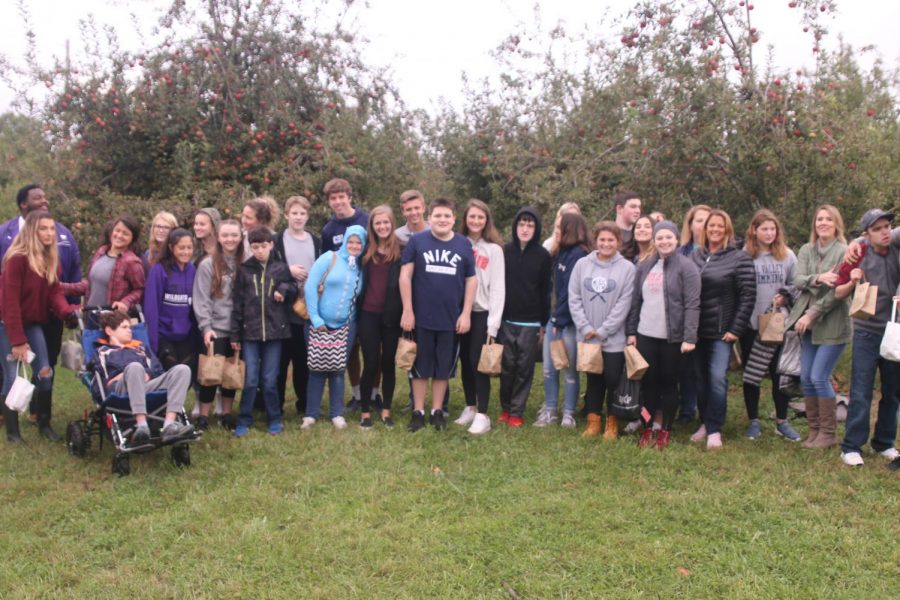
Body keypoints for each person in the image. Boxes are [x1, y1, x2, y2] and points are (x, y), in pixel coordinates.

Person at [0, 184, 82, 428]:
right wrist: (17, 341)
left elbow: (54, 293)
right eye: (44, 229)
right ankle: (13, 431)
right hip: (9, 325)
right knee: (13, 375)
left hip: (34, 323)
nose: (50, 233)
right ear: (33, 231)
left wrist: (69, 311)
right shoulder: (16, 259)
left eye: (51, 229)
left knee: (45, 372)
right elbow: (10, 302)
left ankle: (44, 423)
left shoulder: (50, 260)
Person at [400, 198, 476, 432]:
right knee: (420, 367)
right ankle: (418, 411)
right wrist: (408, 309)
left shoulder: (464, 244)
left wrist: (466, 314)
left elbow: (471, 280)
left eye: (447, 216)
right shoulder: (418, 241)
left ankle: (437, 411)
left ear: (454, 219)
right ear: (429, 218)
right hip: (421, 318)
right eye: (437, 216)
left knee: (443, 368)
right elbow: (405, 276)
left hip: (450, 319)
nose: (442, 220)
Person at [834, 209, 900, 466]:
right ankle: (851, 446)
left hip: (894, 331)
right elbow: (838, 292)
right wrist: (851, 281)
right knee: (861, 391)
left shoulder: (895, 245)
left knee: (892, 392)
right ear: (866, 234)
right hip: (865, 331)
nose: (884, 232)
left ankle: (884, 443)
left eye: (887, 226)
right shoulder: (857, 252)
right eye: (877, 229)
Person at [626, 220, 700, 449]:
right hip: (646, 334)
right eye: (660, 238)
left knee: (669, 384)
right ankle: (648, 427)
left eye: (669, 237)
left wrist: (689, 337)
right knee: (649, 385)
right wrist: (631, 332)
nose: (664, 241)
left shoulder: (687, 267)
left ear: (677, 240)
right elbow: (635, 302)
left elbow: (692, 304)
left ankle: (665, 429)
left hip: (673, 338)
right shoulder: (645, 265)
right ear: (654, 241)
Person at [690, 209, 756, 449]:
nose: (715, 230)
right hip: (696, 330)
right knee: (700, 380)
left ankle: (715, 429)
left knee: (717, 378)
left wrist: (736, 329)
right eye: (711, 226)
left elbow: (748, 296)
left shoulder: (739, 258)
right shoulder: (696, 256)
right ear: (704, 229)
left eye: (720, 226)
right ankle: (705, 422)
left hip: (722, 331)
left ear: (727, 229)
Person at [786, 204, 850, 450]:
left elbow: (838, 293)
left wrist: (812, 313)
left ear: (836, 224)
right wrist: (819, 278)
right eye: (819, 219)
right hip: (808, 326)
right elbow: (797, 279)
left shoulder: (844, 251)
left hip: (832, 324)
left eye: (828, 219)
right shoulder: (806, 250)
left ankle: (828, 433)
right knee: (806, 377)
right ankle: (814, 431)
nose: (823, 223)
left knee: (819, 376)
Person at [568, 221, 636, 439]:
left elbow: (624, 302)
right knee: (594, 380)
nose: (606, 244)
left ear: (618, 241)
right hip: (588, 336)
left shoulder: (627, 269)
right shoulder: (582, 265)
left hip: (613, 338)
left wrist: (605, 330)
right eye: (602, 239)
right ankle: (593, 420)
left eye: (611, 240)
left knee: (612, 379)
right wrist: (585, 327)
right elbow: (574, 297)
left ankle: (612, 422)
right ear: (595, 241)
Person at [739, 209, 800, 441]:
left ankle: (781, 421)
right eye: (764, 228)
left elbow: (796, 285)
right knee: (751, 374)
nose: (769, 233)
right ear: (754, 230)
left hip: (777, 324)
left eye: (772, 229)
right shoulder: (745, 255)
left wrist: (785, 296)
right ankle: (753, 420)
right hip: (751, 324)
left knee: (779, 373)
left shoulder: (787, 255)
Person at [231, 227, 297, 436]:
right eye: (255, 247)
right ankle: (244, 420)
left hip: (275, 332)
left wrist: (284, 290)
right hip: (250, 333)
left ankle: (274, 419)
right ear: (250, 247)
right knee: (250, 380)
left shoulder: (280, 268)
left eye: (264, 246)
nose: (260, 251)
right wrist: (235, 334)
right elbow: (237, 303)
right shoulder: (244, 270)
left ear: (271, 245)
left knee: (270, 380)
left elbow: (293, 287)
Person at [94, 310, 193, 444]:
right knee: (135, 367)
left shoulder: (140, 348)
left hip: (146, 386)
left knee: (183, 369)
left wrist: (148, 374)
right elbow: (98, 383)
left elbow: (158, 372)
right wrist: (123, 376)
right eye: (124, 327)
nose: (129, 330)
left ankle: (169, 425)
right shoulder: (102, 352)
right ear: (109, 331)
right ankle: (142, 425)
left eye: (130, 327)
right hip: (121, 391)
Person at [302, 225, 366, 429]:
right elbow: (310, 286)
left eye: (359, 242)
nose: (354, 246)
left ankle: (336, 413)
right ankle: (311, 414)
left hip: (346, 325)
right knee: (316, 368)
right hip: (318, 323)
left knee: (338, 369)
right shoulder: (329, 258)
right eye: (351, 241)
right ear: (345, 241)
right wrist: (315, 318)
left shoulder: (360, 266)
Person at [454, 199, 506, 434]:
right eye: (472, 216)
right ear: (465, 219)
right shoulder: (457, 243)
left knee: (479, 363)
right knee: (465, 360)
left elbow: (498, 288)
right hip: (457, 312)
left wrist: (492, 324)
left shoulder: (494, 250)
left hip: (481, 313)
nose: (475, 221)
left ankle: (484, 414)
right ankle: (471, 406)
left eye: (480, 217)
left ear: (487, 221)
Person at [536, 212, 592, 427]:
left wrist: (559, 320)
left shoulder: (578, 255)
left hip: (568, 323)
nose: (556, 231)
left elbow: (571, 293)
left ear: (571, 229)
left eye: (560, 227)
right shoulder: (558, 253)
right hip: (554, 319)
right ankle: (550, 409)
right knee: (549, 368)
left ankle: (568, 412)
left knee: (569, 369)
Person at [498, 207, 551, 429]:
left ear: (536, 228)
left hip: (530, 323)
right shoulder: (504, 251)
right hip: (507, 320)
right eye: (522, 224)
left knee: (524, 367)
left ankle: (517, 411)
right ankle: (505, 408)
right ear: (515, 227)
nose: (525, 229)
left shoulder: (542, 255)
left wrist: (543, 322)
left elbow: (545, 290)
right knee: (507, 366)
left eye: (530, 225)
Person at [318, 178, 369, 409]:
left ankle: (374, 394)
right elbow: (328, 265)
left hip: (368, 290)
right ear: (329, 201)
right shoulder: (329, 230)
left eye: (341, 196)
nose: (338, 201)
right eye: (333, 198)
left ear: (349, 196)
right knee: (349, 349)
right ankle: (357, 395)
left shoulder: (366, 220)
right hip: (343, 297)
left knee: (370, 347)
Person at [193, 219, 244, 430]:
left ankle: (226, 414)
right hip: (215, 327)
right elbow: (202, 298)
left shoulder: (245, 262)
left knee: (230, 374)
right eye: (225, 235)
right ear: (218, 237)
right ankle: (203, 416)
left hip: (237, 328)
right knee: (210, 374)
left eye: (234, 235)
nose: (230, 239)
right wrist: (206, 327)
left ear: (241, 237)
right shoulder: (208, 264)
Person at [273, 196, 321, 418]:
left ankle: (304, 405)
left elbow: (323, 268)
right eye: (294, 213)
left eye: (302, 213)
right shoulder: (277, 240)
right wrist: (288, 270)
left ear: (307, 216)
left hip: (307, 308)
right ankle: (277, 406)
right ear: (286, 215)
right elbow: (268, 269)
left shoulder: (315, 240)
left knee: (304, 361)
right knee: (281, 362)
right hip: (282, 309)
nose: (298, 217)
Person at [357, 206, 402, 428]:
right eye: (378, 223)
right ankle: (365, 411)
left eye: (386, 222)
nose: (382, 226)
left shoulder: (402, 250)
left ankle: (386, 410)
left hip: (393, 316)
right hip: (368, 314)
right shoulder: (365, 251)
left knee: (388, 363)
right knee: (371, 362)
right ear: (372, 226)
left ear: (392, 224)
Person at [61, 215, 145, 315]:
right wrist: (61, 287)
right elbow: (91, 285)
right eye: (117, 230)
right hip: (91, 317)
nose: (119, 235)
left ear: (132, 238)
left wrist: (125, 303)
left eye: (125, 233)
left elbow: (140, 290)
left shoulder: (132, 262)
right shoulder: (100, 252)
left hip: (113, 320)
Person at [675, 204, 711, 424]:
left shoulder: (719, 250)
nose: (704, 225)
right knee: (686, 367)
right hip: (684, 316)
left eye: (708, 221)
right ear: (690, 224)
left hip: (709, 316)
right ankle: (687, 410)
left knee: (706, 368)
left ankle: (707, 411)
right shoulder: (681, 252)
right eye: (699, 220)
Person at [144, 229, 197, 376]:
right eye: (181, 248)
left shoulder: (192, 270)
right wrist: (153, 342)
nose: (186, 252)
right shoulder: (159, 270)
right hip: (164, 333)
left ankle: (176, 400)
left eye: (189, 248)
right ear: (171, 248)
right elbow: (151, 308)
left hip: (184, 334)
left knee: (186, 372)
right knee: (170, 370)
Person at [613, 190, 642, 261]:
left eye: (639, 207)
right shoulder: (607, 234)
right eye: (633, 207)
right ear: (619, 209)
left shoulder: (640, 235)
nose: (638, 211)